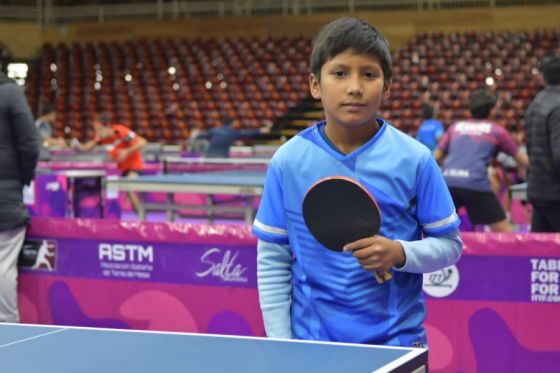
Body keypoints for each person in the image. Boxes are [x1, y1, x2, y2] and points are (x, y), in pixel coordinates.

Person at [252, 17, 462, 348]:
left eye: (369, 74)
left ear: (387, 86)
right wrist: (282, 344)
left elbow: (450, 246)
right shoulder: (287, 162)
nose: (354, 87)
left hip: (397, 347)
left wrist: (398, 252)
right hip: (311, 348)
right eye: (340, 73)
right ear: (315, 85)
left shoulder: (415, 159)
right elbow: (273, 257)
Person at [434, 89, 529, 232]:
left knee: (439, 231)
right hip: (475, 184)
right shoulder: (497, 131)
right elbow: (523, 160)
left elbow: (435, 157)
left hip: (448, 182)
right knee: (505, 233)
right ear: (491, 111)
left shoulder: (455, 127)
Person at [0, 58, 41, 322]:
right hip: (5, 196)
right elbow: (30, 142)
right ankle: (7, 328)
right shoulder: (9, 91)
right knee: (2, 264)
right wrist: (24, 178)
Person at [74, 112, 147, 213]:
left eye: (99, 129)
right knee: (128, 192)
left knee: (129, 188)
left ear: (107, 126)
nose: (97, 133)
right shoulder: (101, 138)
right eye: (95, 130)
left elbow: (142, 142)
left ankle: (142, 217)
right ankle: (140, 215)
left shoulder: (121, 131)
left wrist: (127, 151)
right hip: (124, 168)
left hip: (135, 166)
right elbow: (86, 147)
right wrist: (75, 144)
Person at [524, 55, 560, 232]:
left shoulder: (534, 104)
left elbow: (531, 148)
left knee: (540, 254)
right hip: (555, 193)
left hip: (538, 189)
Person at [195, 115, 271, 158]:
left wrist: (196, 134)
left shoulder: (214, 130)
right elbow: (246, 133)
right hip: (221, 157)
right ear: (232, 123)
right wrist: (260, 130)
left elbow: (200, 136)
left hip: (208, 155)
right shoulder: (232, 133)